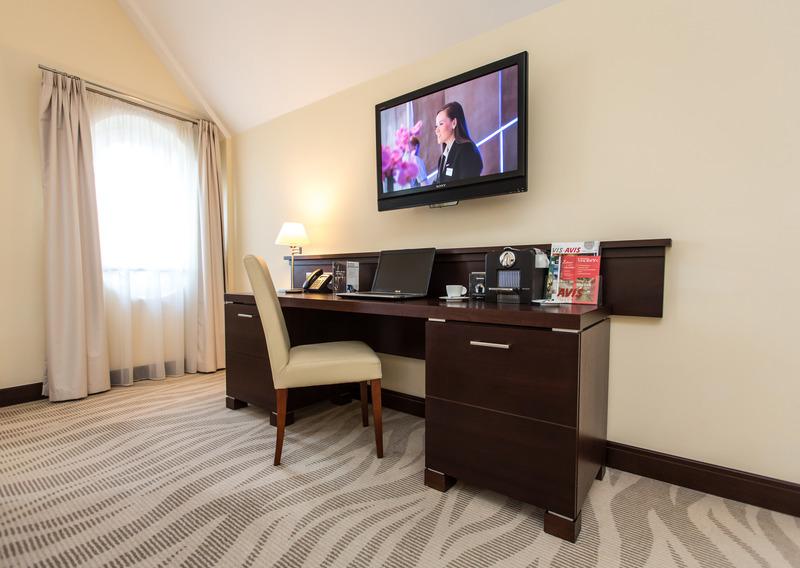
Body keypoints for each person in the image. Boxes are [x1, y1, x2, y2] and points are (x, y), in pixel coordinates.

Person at [433, 101, 483, 183]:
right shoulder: (442, 158)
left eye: (441, 124)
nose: (436, 130)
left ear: (454, 123)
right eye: (436, 126)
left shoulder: (466, 149)